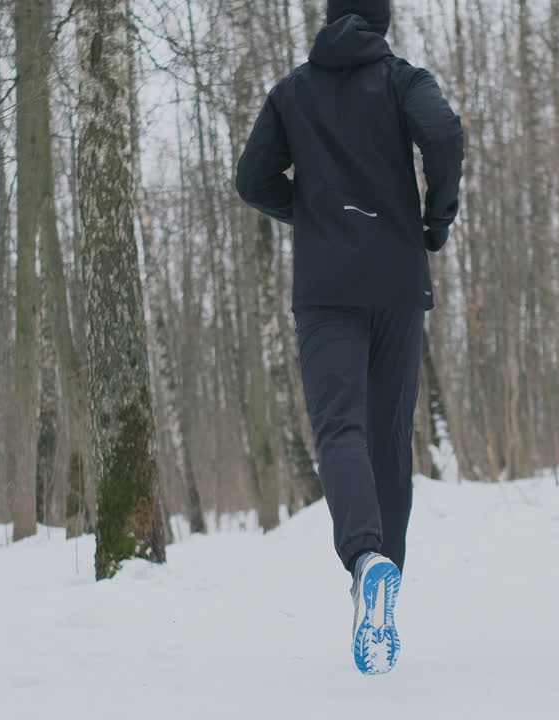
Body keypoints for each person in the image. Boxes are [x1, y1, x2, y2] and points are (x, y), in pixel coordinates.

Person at [235, 0, 463, 676]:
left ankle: (365, 561)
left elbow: (253, 180)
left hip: (327, 287)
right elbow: (444, 135)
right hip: (396, 277)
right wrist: (434, 218)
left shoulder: (292, 91)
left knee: (341, 430)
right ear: (383, 21)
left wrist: (310, 214)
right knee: (390, 443)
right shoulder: (403, 79)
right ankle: (383, 588)